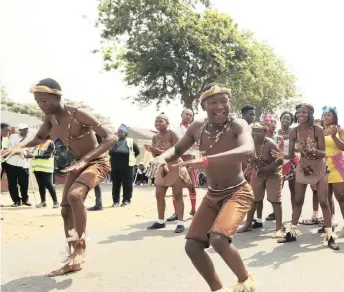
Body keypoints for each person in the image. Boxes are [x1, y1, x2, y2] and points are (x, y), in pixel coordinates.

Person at [1, 78, 116, 276]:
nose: (40, 105)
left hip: (96, 162)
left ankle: (80, 247)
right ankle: (73, 256)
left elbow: (111, 137)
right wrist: (19, 146)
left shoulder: (78, 114)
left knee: (75, 196)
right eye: (37, 101)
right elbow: (40, 138)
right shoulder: (50, 118)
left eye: (43, 101)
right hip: (77, 163)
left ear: (57, 96)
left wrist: (85, 159)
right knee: (65, 210)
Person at [147, 84, 257, 291]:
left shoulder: (238, 124)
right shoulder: (197, 126)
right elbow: (177, 149)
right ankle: (218, 289)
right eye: (213, 102)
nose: (220, 106)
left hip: (238, 192)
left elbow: (247, 150)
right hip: (212, 195)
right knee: (192, 246)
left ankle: (246, 283)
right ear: (203, 106)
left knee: (219, 239)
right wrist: (162, 157)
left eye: (224, 101)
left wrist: (206, 161)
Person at [273, 103, 339, 250]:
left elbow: (323, 153)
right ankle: (292, 233)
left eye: (304, 112)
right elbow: (291, 155)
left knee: (324, 202)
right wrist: (282, 155)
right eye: (298, 112)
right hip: (303, 168)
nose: (300, 114)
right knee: (298, 201)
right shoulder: (293, 131)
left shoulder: (318, 129)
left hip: (319, 168)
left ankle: (330, 237)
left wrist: (313, 150)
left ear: (310, 114)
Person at [145, 113, 191, 233]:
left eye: (161, 121)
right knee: (159, 194)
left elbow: (178, 151)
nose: (157, 123)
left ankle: (180, 223)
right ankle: (160, 221)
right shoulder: (155, 137)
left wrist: (159, 150)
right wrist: (153, 151)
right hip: (162, 167)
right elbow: (157, 155)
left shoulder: (172, 134)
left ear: (167, 123)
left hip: (175, 166)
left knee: (177, 195)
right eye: (156, 121)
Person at [237, 122, 284, 238]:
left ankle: (279, 228)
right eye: (253, 131)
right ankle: (248, 224)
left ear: (265, 132)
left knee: (275, 200)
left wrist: (270, 167)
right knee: (253, 199)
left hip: (273, 174)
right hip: (258, 173)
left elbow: (281, 158)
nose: (255, 133)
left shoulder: (270, 143)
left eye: (258, 131)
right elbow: (242, 156)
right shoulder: (249, 143)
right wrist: (249, 165)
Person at [308, 106, 344, 232]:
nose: (326, 117)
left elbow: (343, 147)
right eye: (324, 114)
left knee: (341, 195)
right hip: (322, 165)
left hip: (337, 165)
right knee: (326, 198)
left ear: (334, 117)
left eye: (329, 114)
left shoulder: (340, 129)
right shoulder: (318, 130)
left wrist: (334, 136)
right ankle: (330, 223)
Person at [167, 109, 198, 222]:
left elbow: (197, 146)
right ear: (181, 115)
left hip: (190, 159)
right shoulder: (174, 130)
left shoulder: (195, 129)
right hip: (178, 159)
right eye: (187, 114)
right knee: (176, 187)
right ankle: (176, 212)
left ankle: (194, 209)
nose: (189, 116)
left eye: (191, 115)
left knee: (192, 186)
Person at [109, 124, 140, 207]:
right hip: (115, 167)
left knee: (127, 184)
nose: (119, 133)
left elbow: (137, 152)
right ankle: (115, 201)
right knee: (115, 184)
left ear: (126, 133)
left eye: (121, 131)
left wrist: (129, 159)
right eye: (118, 132)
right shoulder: (113, 142)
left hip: (127, 168)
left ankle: (126, 200)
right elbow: (110, 153)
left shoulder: (130, 142)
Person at [4, 123, 31, 207]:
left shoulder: (30, 139)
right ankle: (16, 200)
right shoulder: (13, 137)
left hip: (24, 165)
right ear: (19, 130)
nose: (25, 131)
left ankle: (25, 200)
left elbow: (29, 152)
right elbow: (11, 148)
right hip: (11, 164)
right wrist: (20, 151)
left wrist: (20, 151)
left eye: (26, 129)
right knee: (12, 184)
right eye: (23, 130)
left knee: (24, 183)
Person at [28, 136, 59, 208]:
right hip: (37, 168)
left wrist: (35, 156)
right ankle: (43, 202)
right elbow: (32, 152)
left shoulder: (50, 143)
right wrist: (28, 154)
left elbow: (48, 155)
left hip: (46, 168)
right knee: (41, 185)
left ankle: (55, 202)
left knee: (49, 185)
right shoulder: (37, 144)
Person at [278, 112, 299, 212]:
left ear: (291, 122)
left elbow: (298, 147)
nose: (285, 120)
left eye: (288, 119)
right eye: (284, 118)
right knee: (278, 190)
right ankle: (276, 212)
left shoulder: (294, 132)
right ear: (280, 119)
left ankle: (295, 212)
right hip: (279, 164)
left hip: (292, 163)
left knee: (294, 189)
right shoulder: (275, 132)